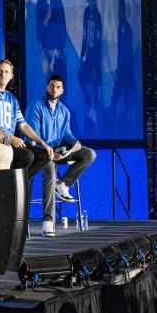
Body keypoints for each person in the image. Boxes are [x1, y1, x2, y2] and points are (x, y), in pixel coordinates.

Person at [24, 74, 97, 236]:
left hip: (59, 150)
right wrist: (49, 151)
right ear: (46, 87)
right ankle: (48, 220)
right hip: (41, 152)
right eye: (51, 86)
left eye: (58, 87)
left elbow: (66, 133)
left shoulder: (64, 110)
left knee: (89, 154)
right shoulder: (36, 106)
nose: (54, 89)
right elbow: (32, 136)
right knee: (50, 171)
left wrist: (73, 143)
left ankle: (63, 184)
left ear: (62, 90)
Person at [0, 58, 54, 199]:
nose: (3, 74)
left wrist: (42, 143)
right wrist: (10, 137)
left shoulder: (12, 99)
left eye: (7, 72)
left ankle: (13, 187)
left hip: (10, 143)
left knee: (44, 155)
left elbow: (23, 125)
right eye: (0, 71)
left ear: (11, 76)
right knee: (27, 156)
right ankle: (11, 188)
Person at [35, 0, 68, 89]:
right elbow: (39, 34)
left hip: (58, 49)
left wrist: (61, 47)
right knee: (48, 79)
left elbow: (63, 24)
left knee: (63, 81)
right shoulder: (40, 1)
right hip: (46, 49)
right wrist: (47, 18)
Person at [78, 0, 104, 132]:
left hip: (95, 57)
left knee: (94, 84)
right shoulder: (87, 11)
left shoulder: (98, 15)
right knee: (82, 77)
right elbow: (84, 34)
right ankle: (90, 108)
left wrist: (95, 62)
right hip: (87, 56)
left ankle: (94, 114)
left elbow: (98, 41)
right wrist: (82, 54)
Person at [110, 0, 136, 121]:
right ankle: (124, 116)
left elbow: (125, 50)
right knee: (122, 95)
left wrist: (120, 69)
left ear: (123, 10)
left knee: (116, 97)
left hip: (126, 69)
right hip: (125, 69)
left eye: (119, 10)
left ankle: (116, 118)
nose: (118, 13)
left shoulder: (124, 27)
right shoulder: (122, 26)